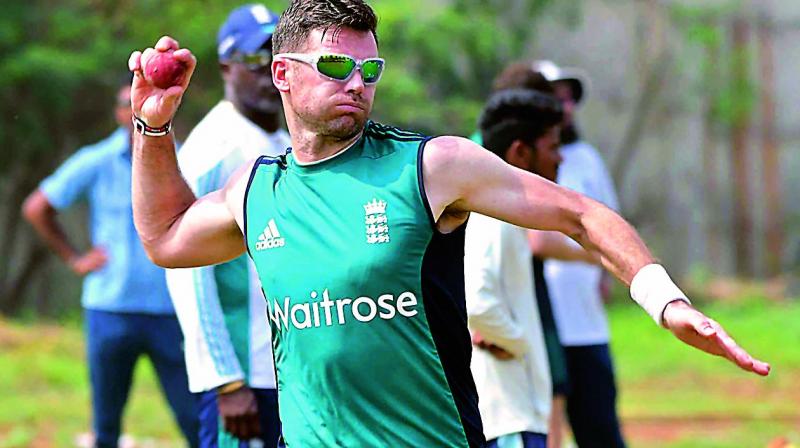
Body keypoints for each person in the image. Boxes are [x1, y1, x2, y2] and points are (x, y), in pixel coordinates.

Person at [126, 1, 769, 446]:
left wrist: (666, 301)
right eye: (335, 67)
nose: (356, 82)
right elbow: (165, 238)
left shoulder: (432, 166)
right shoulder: (257, 190)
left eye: (369, 69)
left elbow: (578, 213)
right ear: (283, 75)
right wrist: (153, 125)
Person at [21, 78, 199, 448]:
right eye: (125, 104)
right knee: (106, 425)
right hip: (110, 310)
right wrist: (76, 259)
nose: (132, 110)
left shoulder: (185, 157)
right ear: (120, 112)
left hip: (170, 309)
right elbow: (37, 207)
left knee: (194, 419)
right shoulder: (96, 161)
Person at [163, 5, 289, 447]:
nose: (268, 73)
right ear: (226, 67)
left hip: (290, 374)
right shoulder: (213, 150)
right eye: (255, 59)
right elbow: (186, 271)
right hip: (244, 379)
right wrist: (225, 381)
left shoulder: (287, 143)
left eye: (280, 57)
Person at [532, 59, 627, 447]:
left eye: (570, 99)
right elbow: (535, 241)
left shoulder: (585, 157)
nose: (566, 108)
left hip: (585, 320)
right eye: (556, 98)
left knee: (600, 426)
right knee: (545, 428)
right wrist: (596, 256)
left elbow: (609, 223)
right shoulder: (510, 162)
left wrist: (606, 271)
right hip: (539, 320)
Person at [465, 88, 566, 448]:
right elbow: (477, 301)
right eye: (552, 147)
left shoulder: (501, 213)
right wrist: (519, 343)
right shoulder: (496, 217)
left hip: (516, 413)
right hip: (509, 414)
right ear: (520, 153)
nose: (561, 159)